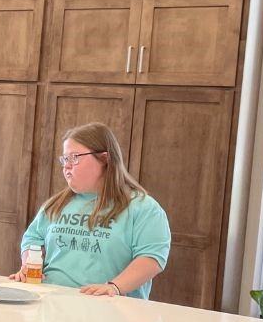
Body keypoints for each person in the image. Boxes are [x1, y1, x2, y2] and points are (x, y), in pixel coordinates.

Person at [11, 123, 171, 299]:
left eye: (75, 157)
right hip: (52, 306)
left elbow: (151, 258)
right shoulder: (55, 205)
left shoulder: (144, 208)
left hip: (109, 310)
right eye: (65, 159)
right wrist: (29, 266)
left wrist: (114, 287)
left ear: (105, 159)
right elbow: (33, 239)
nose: (67, 166)